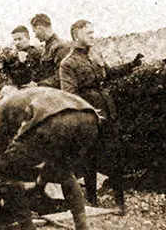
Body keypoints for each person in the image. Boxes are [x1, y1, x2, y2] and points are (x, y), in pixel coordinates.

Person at [0, 87, 101, 230]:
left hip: (54, 120)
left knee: (4, 171)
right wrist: (40, 183)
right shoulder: (33, 94)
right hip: (89, 117)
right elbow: (50, 157)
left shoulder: (2, 106)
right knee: (64, 171)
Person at [59, 20, 143, 211]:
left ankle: (120, 202)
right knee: (90, 158)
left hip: (107, 111)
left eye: (92, 32)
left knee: (115, 154)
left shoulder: (94, 55)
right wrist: (89, 111)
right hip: (89, 116)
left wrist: (131, 65)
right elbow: (70, 94)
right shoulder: (68, 63)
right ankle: (93, 201)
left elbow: (108, 74)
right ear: (76, 35)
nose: (92, 35)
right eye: (88, 33)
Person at [30, 14, 71, 88]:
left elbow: (61, 76)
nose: (35, 36)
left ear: (40, 29)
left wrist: (38, 85)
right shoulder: (48, 46)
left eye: (34, 31)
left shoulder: (60, 46)